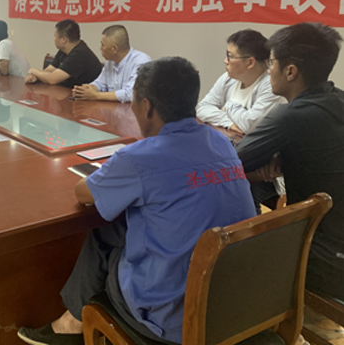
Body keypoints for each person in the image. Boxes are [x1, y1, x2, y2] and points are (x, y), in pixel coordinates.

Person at [18, 57, 256, 345]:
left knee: (103, 232)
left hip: (172, 317)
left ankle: (71, 324)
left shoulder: (139, 158)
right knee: (125, 227)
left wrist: (112, 171)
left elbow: (83, 193)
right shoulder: (221, 142)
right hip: (235, 302)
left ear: (146, 107)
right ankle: (72, 321)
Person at [236, 23, 344, 312]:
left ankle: (265, 324)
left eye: (271, 63)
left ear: (291, 71)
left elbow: (230, 164)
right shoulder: (338, 99)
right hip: (336, 242)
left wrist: (255, 170)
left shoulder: (291, 116)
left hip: (325, 260)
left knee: (229, 252)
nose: (268, 70)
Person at [197, 29, 284, 135]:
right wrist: (230, 124)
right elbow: (203, 108)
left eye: (230, 56)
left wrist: (228, 106)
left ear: (250, 62)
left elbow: (250, 125)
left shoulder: (271, 85)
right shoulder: (227, 78)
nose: (225, 61)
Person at [72, 25, 150, 102]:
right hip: (113, 108)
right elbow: (100, 83)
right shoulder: (110, 62)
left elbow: (131, 94)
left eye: (102, 45)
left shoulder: (141, 62)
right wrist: (86, 90)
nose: (100, 48)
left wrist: (96, 96)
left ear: (114, 49)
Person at [25, 19, 102, 88]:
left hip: (85, 97)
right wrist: (35, 77)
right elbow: (49, 71)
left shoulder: (80, 54)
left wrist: (33, 70)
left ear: (64, 39)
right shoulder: (64, 50)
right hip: (66, 92)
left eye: (55, 36)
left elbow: (53, 79)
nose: (54, 39)